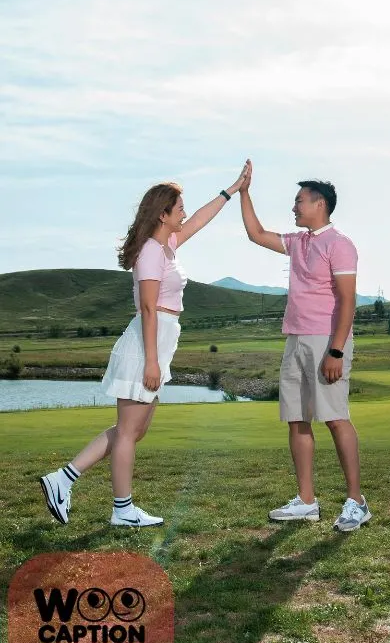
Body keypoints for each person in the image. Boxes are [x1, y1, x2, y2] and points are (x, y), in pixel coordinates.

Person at [40, 162, 251, 528]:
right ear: (163, 213)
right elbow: (149, 309)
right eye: (179, 206)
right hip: (145, 347)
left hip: (157, 345)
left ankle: (64, 478)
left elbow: (200, 219)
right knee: (128, 431)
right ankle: (121, 509)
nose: (184, 211)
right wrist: (152, 362)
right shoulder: (152, 252)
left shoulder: (166, 244)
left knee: (134, 430)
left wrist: (232, 189)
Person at [239, 167, 370, 532]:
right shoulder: (299, 242)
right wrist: (243, 192)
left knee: (335, 417)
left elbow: (347, 301)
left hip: (326, 341)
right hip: (295, 339)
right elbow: (256, 234)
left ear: (320, 204)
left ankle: (356, 502)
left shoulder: (340, 244)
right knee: (297, 419)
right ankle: (307, 502)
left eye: (299, 201)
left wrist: (337, 351)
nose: (293, 207)